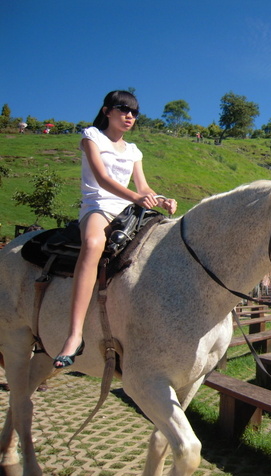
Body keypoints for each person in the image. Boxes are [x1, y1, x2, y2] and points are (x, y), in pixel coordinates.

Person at [53, 91, 177, 369]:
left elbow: (143, 187)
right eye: (124, 109)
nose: (130, 116)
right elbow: (102, 178)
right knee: (94, 243)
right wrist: (136, 197)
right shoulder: (91, 137)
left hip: (128, 209)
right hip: (98, 205)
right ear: (107, 111)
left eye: (134, 112)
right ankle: (74, 335)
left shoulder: (134, 151)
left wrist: (161, 199)